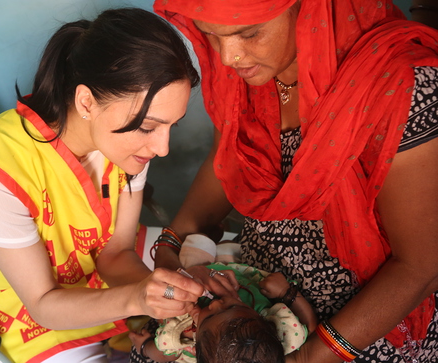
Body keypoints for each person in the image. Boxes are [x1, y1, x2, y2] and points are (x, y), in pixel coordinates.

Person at [147, 0, 438, 362]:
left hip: (363, 331)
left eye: (249, 33)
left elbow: (422, 266)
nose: (228, 58)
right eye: (211, 36)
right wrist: (170, 246)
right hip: (250, 298)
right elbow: (231, 159)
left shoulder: (400, 84)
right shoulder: (253, 72)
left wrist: (309, 356)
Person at [0, 7, 204, 363]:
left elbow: (116, 253)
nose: (162, 148)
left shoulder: (123, 143)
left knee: (221, 266)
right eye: (149, 127)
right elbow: (43, 304)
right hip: (28, 320)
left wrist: (169, 299)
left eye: (172, 126)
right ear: (87, 102)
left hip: (95, 276)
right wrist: (139, 299)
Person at [129, 260, 318, 363]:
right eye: (233, 306)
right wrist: (288, 293)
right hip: (228, 268)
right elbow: (309, 326)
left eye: (210, 315)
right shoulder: (283, 331)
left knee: (192, 250)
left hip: (194, 273)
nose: (216, 304)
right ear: (263, 319)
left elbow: (163, 353)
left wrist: (144, 347)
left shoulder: (184, 336)